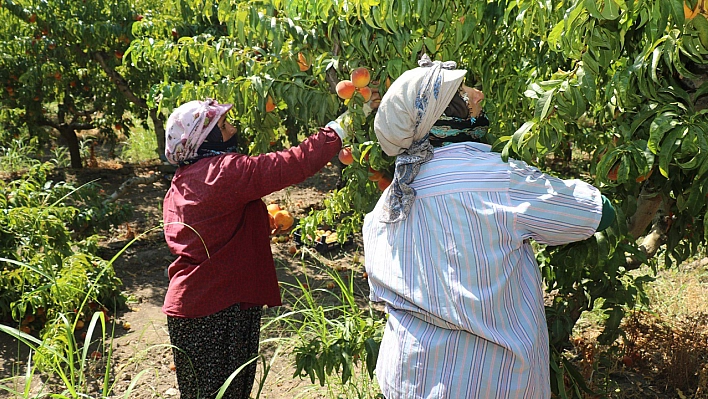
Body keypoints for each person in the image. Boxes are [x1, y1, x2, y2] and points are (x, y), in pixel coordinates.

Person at [363, 55, 615, 398]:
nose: (479, 95)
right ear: (443, 118)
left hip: (408, 377)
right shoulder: (497, 178)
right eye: (466, 96)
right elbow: (595, 213)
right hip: (486, 380)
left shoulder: (388, 203)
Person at [161, 97, 374, 399]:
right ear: (204, 137)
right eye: (223, 125)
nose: (232, 128)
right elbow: (293, 163)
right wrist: (348, 121)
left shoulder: (183, 179)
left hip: (197, 305)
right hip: (216, 308)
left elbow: (210, 231)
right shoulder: (221, 171)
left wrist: (257, 225)